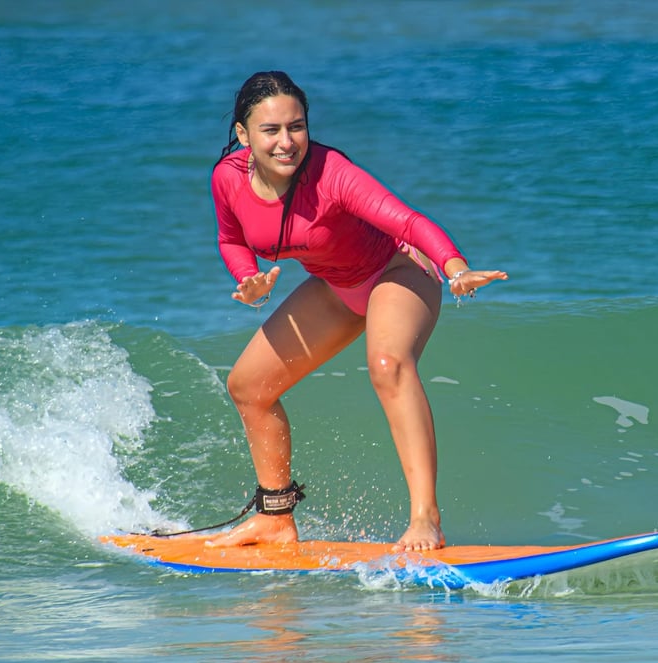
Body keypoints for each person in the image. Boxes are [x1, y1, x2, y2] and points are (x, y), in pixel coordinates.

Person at [206, 71, 507, 552]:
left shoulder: (331, 174)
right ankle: (276, 518)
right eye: (271, 130)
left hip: (397, 269)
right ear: (243, 135)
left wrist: (455, 266)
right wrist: (247, 280)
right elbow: (231, 238)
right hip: (336, 285)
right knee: (249, 387)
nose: (287, 142)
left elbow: (407, 219)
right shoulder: (228, 179)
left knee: (387, 365)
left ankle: (425, 518)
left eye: (297, 126)